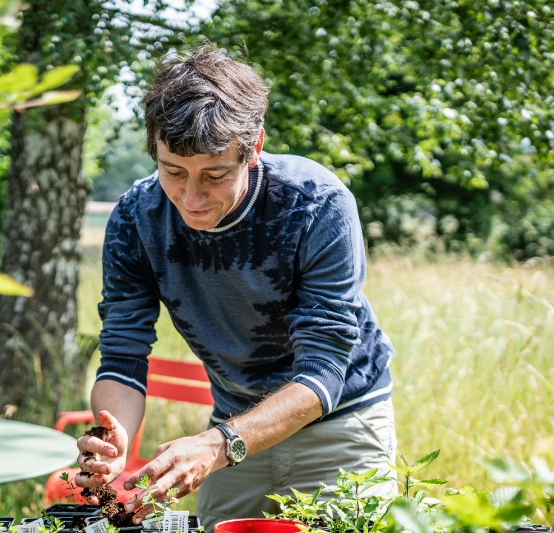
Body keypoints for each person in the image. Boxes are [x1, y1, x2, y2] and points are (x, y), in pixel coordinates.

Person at [74, 45, 397, 530]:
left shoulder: (317, 205)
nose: (191, 197)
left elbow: (325, 370)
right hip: (231, 427)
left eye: (215, 175)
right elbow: (122, 354)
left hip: (340, 427)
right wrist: (115, 433)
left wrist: (218, 444)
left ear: (255, 146)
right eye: (173, 172)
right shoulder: (136, 217)